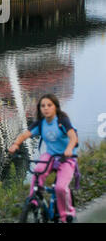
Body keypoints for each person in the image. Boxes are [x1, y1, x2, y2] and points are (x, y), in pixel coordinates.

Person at [8, 93, 78, 223]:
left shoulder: (62, 121)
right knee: (38, 170)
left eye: (49, 105)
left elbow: (73, 137)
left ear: (56, 107)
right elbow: (24, 135)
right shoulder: (41, 124)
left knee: (60, 188)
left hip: (66, 157)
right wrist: (16, 144)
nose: (45, 108)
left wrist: (69, 149)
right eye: (43, 106)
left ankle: (67, 214)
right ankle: (34, 200)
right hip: (51, 155)